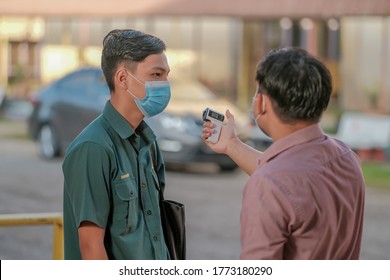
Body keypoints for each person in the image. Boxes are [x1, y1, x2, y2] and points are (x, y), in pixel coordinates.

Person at [202, 47, 365, 259]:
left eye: (256, 92)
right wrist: (232, 144)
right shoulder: (346, 157)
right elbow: (289, 178)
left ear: (261, 103)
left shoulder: (269, 184)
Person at [63, 29, 171, 260]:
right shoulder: (94, 147)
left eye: (166, 75)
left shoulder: (147, 143)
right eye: (156, 75)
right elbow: (92, 248)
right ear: (123, 79)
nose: (165, 84)